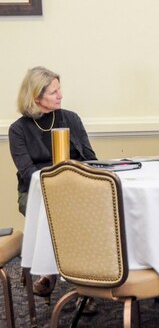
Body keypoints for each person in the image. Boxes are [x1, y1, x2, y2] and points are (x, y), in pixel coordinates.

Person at [9, 66, 97, 302]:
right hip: (36, 192)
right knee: (62, 214)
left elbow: (91, 159)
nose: (60, 95)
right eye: (54, 92)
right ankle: (60, 274)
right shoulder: (18, 130)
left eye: (60, 90)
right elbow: (27, 172)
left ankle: (84, 286)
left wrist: (74, 181)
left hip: (77, 188)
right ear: (36, 97)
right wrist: (60, 179)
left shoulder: (71, 118)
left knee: (89, 211)